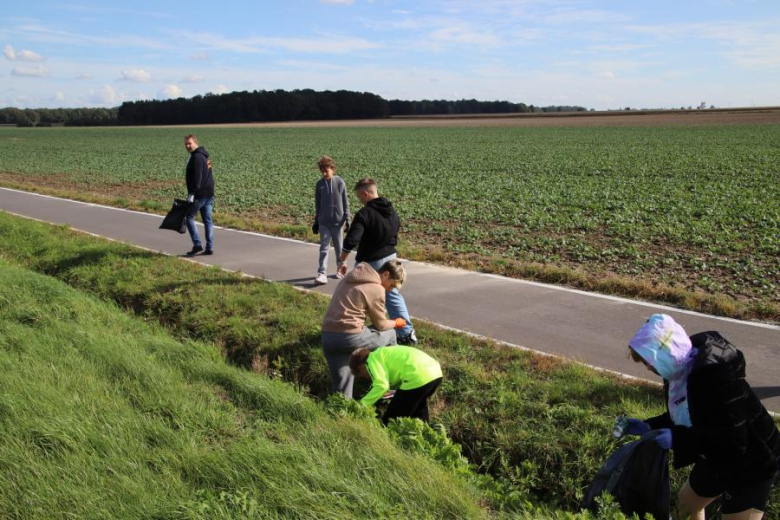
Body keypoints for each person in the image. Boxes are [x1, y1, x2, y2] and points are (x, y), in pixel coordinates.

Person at [620, 314, 779, 520]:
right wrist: (647, 426)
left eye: (649, 362)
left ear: (667, 353)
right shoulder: (678, 374)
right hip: (713, 455)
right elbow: (688, 416)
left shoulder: (717, 379)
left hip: (750, 463)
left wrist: (678, 439)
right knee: (687, 504)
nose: (649, 368)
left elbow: (732, 441)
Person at [337, 178, 417, 345]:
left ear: (366, 194)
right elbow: (395, 234)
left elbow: (351, 240)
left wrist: (342, 261)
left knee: (359, 294)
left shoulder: (365, 213)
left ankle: (356, 329)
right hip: (390, 258)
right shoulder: (392, 211)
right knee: (392, 295)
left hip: (370, 262)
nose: (360, 200)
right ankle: (406, 332)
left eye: (360, 197)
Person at [321, 260, 408, 399]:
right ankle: (388, 384)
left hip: (328, 336)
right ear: (385, 274)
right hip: (350, 337)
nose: (390, 289)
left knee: (342, 391)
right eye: (391, 285)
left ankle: (340, 416)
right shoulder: (376, 288)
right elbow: (381, 325)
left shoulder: (350, 278)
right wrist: (396, 323)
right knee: (390, 333)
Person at [349, 345, 443, 425]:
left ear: (361, 367)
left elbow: (381, 386)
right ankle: (425, 434)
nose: (367, 378)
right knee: (418, 409)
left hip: (418, 376)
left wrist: (362, 405)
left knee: (391, 419)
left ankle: (388, 441)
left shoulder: (371, 360)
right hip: (435, 373)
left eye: (362, 375)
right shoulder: (382, 353)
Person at [312, 155, 350, 285]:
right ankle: (322, 273)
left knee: (339, 248)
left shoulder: (340, 182)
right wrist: (316, 221)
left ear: (332, 169)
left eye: (326, 170)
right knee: (324, 247)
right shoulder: (319, 185)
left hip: (338, 222)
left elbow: (345, 201)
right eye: (321, 170)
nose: (324, 173)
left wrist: (347, 219)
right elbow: (318, 204)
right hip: (324, 222)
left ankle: (340, 268)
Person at [184, 134, 215, 256]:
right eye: (186, 144)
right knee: (208, 221)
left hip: (200, 194)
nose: (187, 146)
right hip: (209, 194)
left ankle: (197, 245)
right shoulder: (204, 155)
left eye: (189, 143)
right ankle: (210, 247)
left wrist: (192, 193)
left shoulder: (196, 157)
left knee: (189, 217)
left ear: (195, 143)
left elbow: (198, 178)